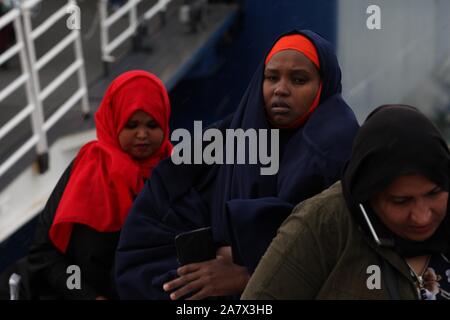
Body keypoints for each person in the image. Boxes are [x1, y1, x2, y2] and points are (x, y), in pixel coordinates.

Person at [115, 29, 359, 300]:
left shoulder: (338, 152)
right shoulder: (221, 142)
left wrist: (251, 274)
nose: (280, 89)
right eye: (271, 77)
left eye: (299, 80)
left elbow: (342, 252)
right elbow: (145, 239)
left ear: (324, 86)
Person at [241, 105, 450, 300]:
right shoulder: (324, 223)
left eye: (434, 194)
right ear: (368, 191)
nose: (422, 217)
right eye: (401, 201)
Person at [23, 70, 173, 300]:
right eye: (131, 125)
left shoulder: (175, 172)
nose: (142, 134)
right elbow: (45, 255)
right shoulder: (86, 169)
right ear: (114, 123)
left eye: (152, 125)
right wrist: (88, 296)